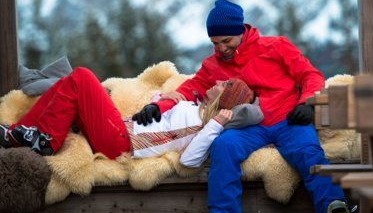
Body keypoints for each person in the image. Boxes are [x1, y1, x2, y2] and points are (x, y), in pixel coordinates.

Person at [133, 0, 351, 213]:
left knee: (308, 151)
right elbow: (190, 88)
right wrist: (160, 106)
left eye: (226, 41)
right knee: (224, 146)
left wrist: (308, 103)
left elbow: (310, 75)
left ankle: (333, 206)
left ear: (240, 31)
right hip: (249, 127)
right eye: (215, 43)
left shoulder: (276, 47)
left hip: (288, 118)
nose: (221, 48)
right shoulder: (212, 64)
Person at [0, 67, 262, 168]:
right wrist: (163, 97)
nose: (218, 81)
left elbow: (189, 159)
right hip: (123, 129)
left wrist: (216, 124)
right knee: (67, 83)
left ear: (223, 100)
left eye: (225, 85)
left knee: (82, 77)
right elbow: (156, 121)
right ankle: (18, 133)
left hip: (122, 142)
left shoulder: (201, 124)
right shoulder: (191, 106)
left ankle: (46, 140)